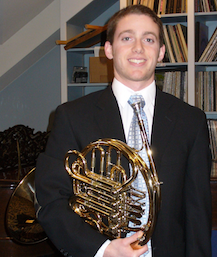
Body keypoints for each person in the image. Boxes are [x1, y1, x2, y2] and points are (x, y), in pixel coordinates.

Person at [35, 4, 212, 257]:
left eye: (148, 39)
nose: (138, 47)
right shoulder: (72, 116)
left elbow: (198, 213)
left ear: (161, 52)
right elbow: (50, 201)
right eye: (127, 37)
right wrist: (102, 248)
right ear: (108, 49)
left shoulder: (191, 120)